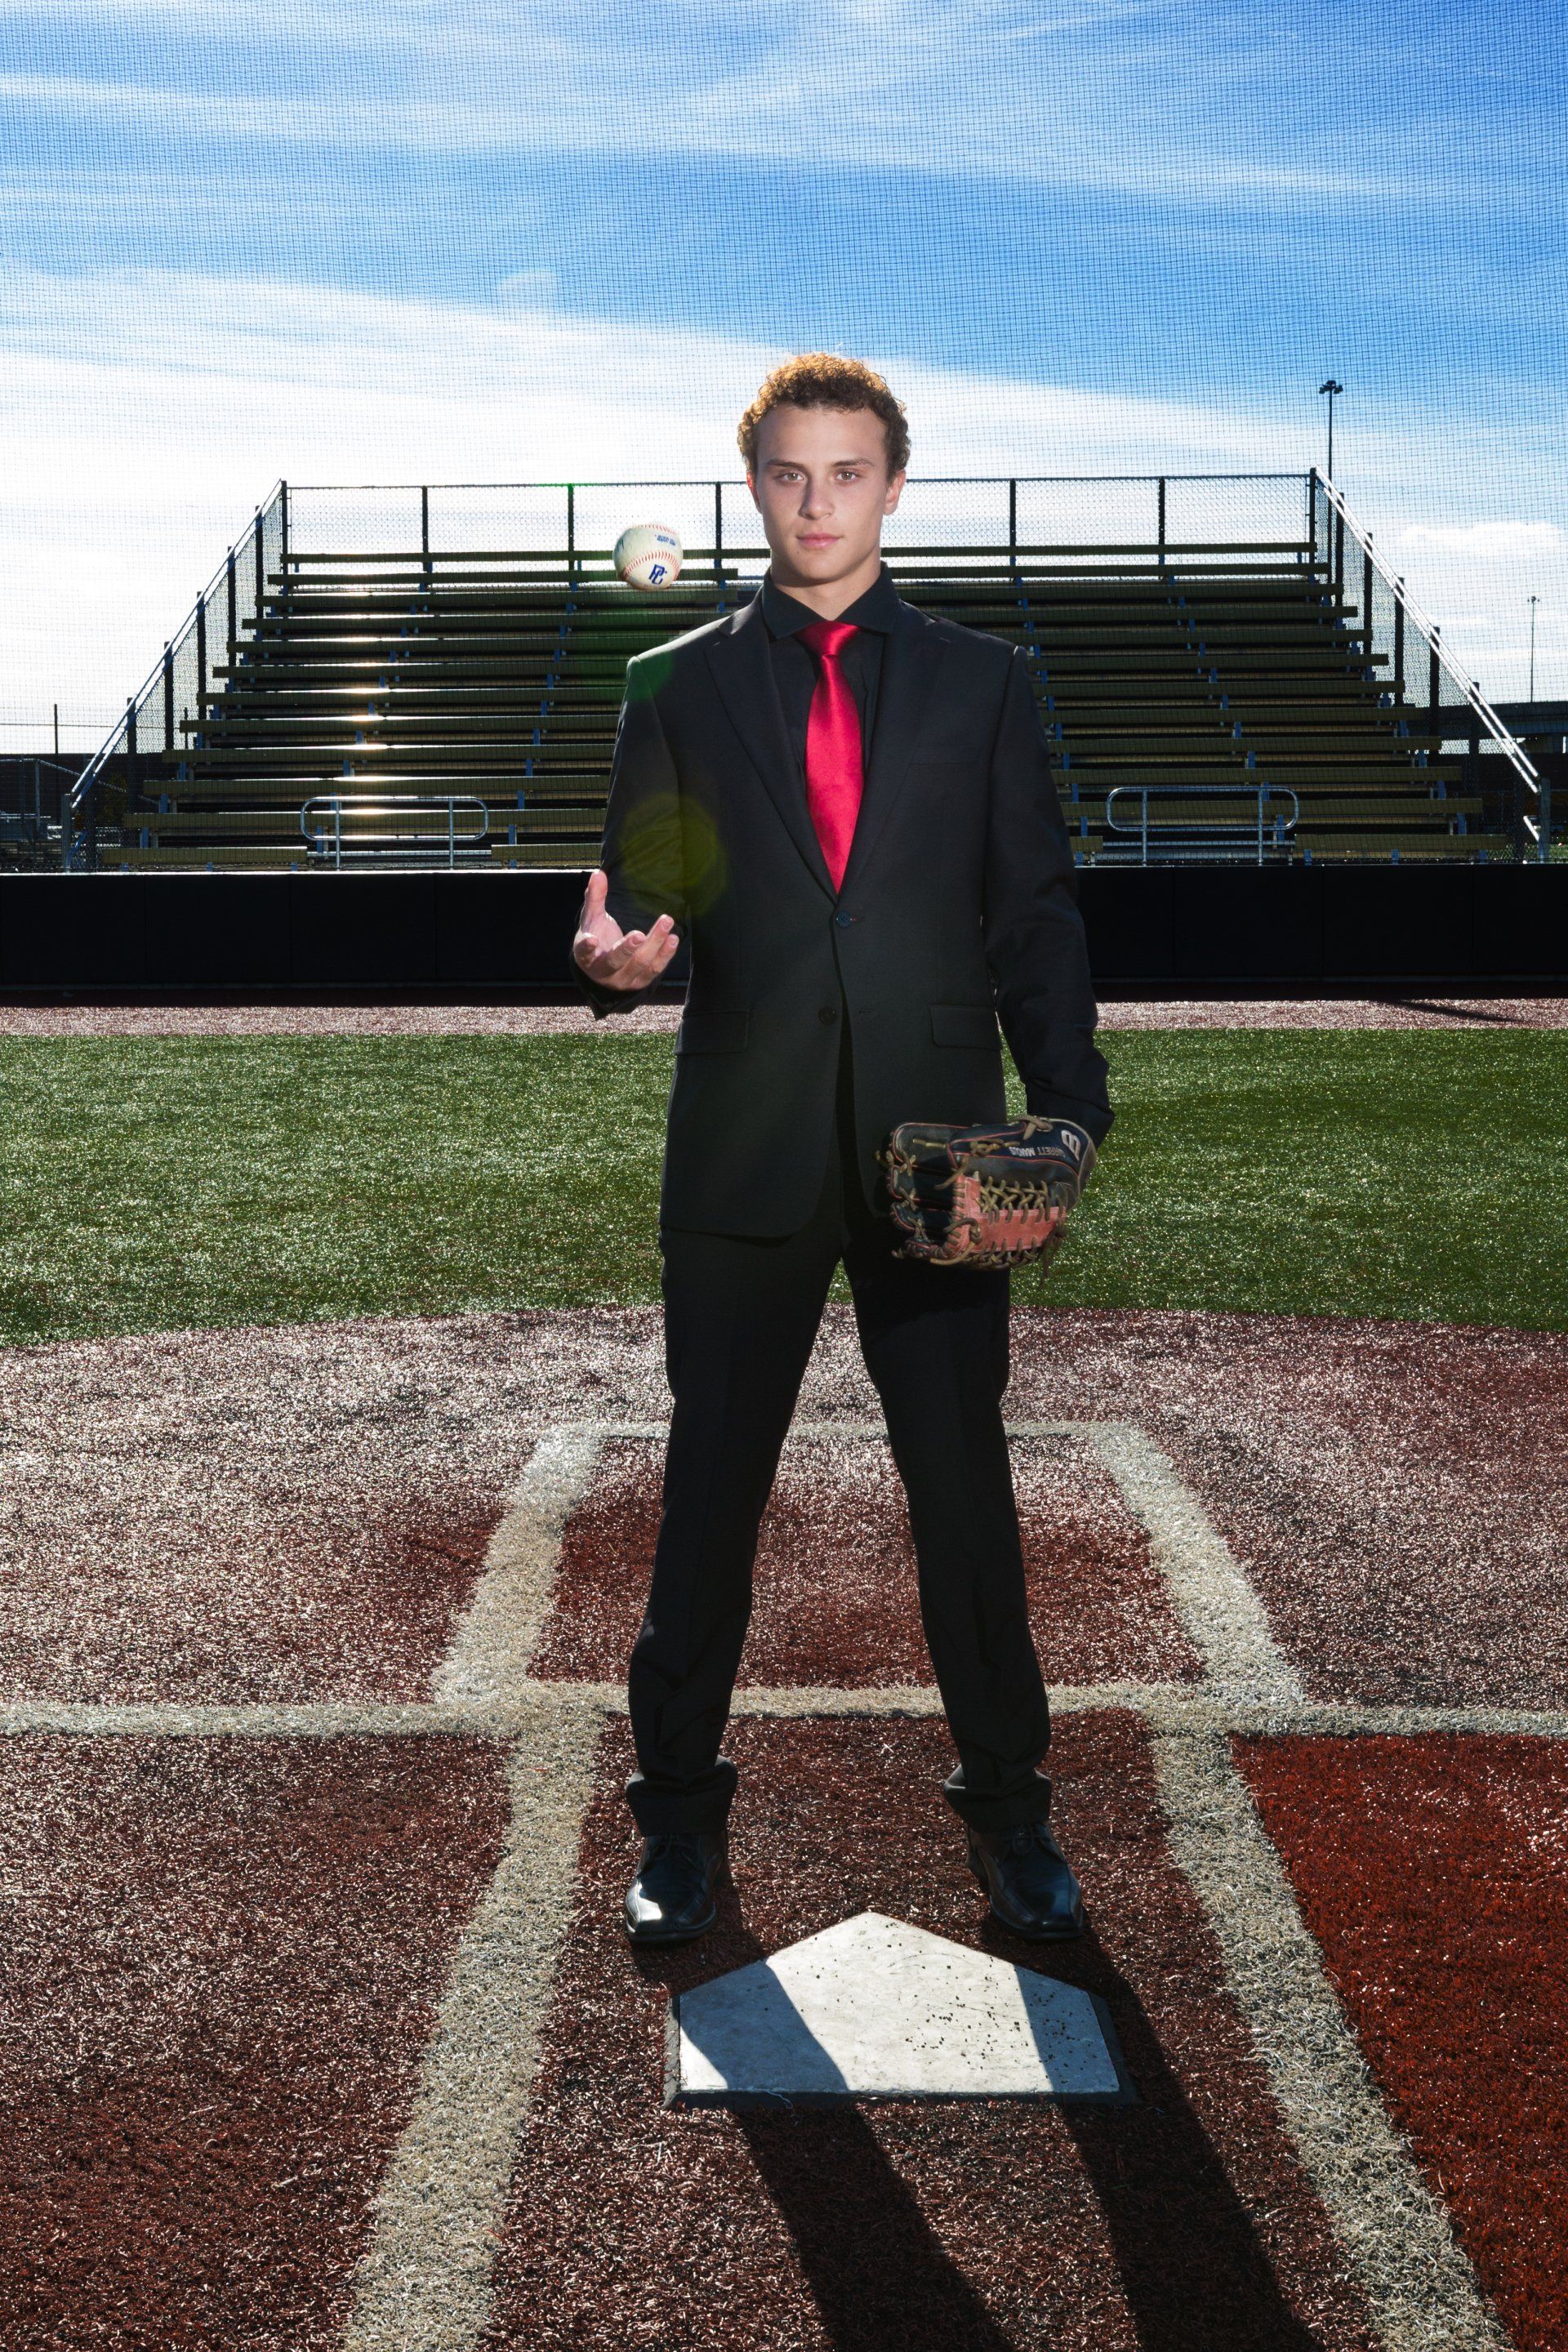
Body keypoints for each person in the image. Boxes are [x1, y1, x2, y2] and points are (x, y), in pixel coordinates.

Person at [572, 354, 1111, 1945]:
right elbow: (640, 897)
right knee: (712, 1495)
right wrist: (622, 956)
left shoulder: (981, 683)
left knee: (962, 1493)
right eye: (792, 475)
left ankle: (1010, 1815)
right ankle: (675, 1826)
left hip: (937, 1153)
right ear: (756, 487)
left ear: (892, 484)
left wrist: (1071, 1105)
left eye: (849, 473)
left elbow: (1034, 915)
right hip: (740, 1153)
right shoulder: (675, 684)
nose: (819, 502)